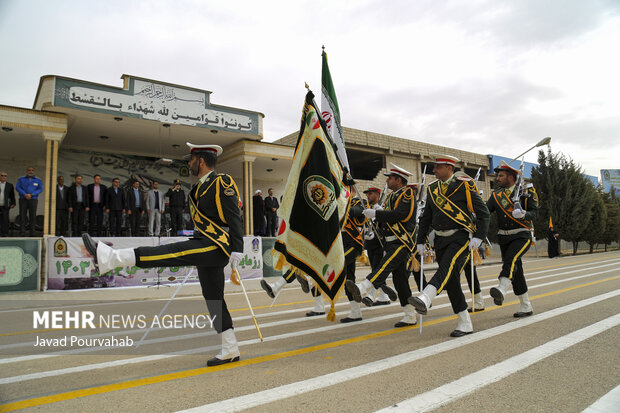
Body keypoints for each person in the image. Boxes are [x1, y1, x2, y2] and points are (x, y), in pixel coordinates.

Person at [82, 143, 244, 366]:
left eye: (192, 159)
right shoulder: (197, 189)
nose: (189, 163)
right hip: (203, 241)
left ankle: (112, 258)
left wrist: (238, 247)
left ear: (202, 161)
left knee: (172, 251)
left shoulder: (222, 181)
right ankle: (230, 349)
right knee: (214, 300)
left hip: (217, 245)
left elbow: (235, 214)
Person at [408, 154, 490, 337]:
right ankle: (464, 322)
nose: (434, 170)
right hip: (440, 239)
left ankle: (426, 296)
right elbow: (426, 217)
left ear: (449, 168)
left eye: (438, 167)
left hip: (460, 237)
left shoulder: (464, 185)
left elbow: (484, 213)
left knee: (446, 268)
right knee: (451, 281)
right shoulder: (433, 189)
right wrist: (420, 240)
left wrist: (479, 237)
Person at [346, 163, 418, 329]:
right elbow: (387, 219)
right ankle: (409, 315)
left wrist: (377, 213)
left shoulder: (407, 194)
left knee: (384, 266)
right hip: (390, 240)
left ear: (399, 180)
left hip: (402, 241)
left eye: (390, 178)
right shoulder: (392, 196)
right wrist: (376, 220)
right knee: (400, 282)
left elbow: (401, 215)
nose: (387, 181)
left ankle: (362, 287)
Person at [486, 160, 538, 318]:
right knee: (517, 271)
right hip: (504, 238)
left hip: (521, 235)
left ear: (511, 177)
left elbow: (536, 213)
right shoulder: (496, 196)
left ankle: (502, 288)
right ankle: (526, 305)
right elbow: (485, 212)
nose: (498, 178)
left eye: (501, 175)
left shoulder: (526, 193)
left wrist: (524, 214)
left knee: (511, 259)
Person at [363, 187, 391, 306]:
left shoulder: (382, 208)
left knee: (376, 270)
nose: (368, 196)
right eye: (367, 194)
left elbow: (385, 226)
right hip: (370, 244)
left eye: (370, 194)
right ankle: (384, 296)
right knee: (375, 269)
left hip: (380, 244)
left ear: (377, 195)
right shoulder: (368, 209)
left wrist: (380, 213)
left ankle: (371, 295)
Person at [16, 166, 43, 236]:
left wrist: (32, 194)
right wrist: (25, 194)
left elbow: (40, 189)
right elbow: (17, 187)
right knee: (22, 215)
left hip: (33, 199)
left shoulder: (38, 180)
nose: (30, 171)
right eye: (29, 170)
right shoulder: (21, 179)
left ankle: (32, 232)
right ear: (26, 171)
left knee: (33, 216)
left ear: (33, 171)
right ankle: (22, 232)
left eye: (32, 170)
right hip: (23, 199)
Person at [0, 171, 16, 237]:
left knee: (5, 220)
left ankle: (5, 233)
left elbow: (12, 195)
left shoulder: (10, 185)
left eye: (5, 176)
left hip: (5, 205)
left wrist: (13, 203)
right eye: (2, 175)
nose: (4, 177)